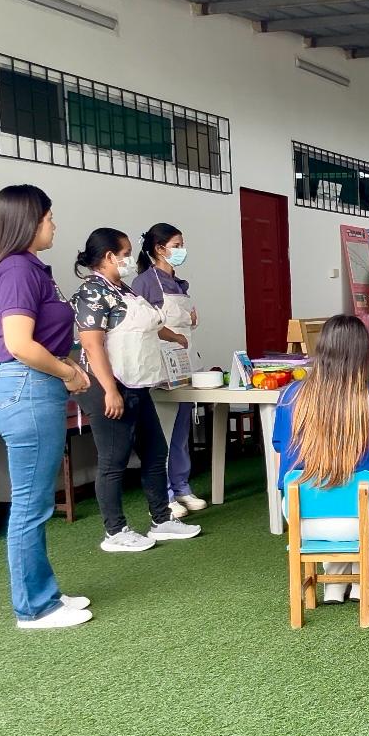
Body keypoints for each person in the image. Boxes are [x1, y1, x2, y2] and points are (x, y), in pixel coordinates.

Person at [0, 185, 93, 629]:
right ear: (29, 220)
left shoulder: (30, 268)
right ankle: (33, 608)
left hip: (34, 389)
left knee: (36, 504)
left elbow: (39, 339)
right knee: (31, 507)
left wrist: (67, 365)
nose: (54, 225)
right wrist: (67, 372)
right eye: (49, 218)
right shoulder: (16, 269)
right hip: (27, 391)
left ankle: (43, 591)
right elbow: (19, 344)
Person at [72, 228, 201, 552]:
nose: (130, 259)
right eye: (126, 253)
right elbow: (92, 344)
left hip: (138, 383)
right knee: (113, 460)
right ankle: (115, 532)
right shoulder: (92, 291)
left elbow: (148, 324)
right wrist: (109, 390)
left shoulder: (123, 289)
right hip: (108, 386)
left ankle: (162, 520)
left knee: (155, 452)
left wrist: (175, 337)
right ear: (108, 257)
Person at [272, 315, 369, 603]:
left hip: (300, 516)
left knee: (337, 500)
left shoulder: (290, 395)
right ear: (362, 353)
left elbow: (281, 453)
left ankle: (334, 585)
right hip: (358, 517)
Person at [132, 222, 207, 520]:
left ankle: (181, 485)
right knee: (161, 431)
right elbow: (141, 325)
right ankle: (165, 493)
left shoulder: (179, 283)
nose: (181, 250)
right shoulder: (144, 283)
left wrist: (191, 322)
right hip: (161, 365)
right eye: (177, 245)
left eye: (182, 245)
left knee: (180, 430)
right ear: (159, 248)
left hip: (184, 363)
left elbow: (183, 321)